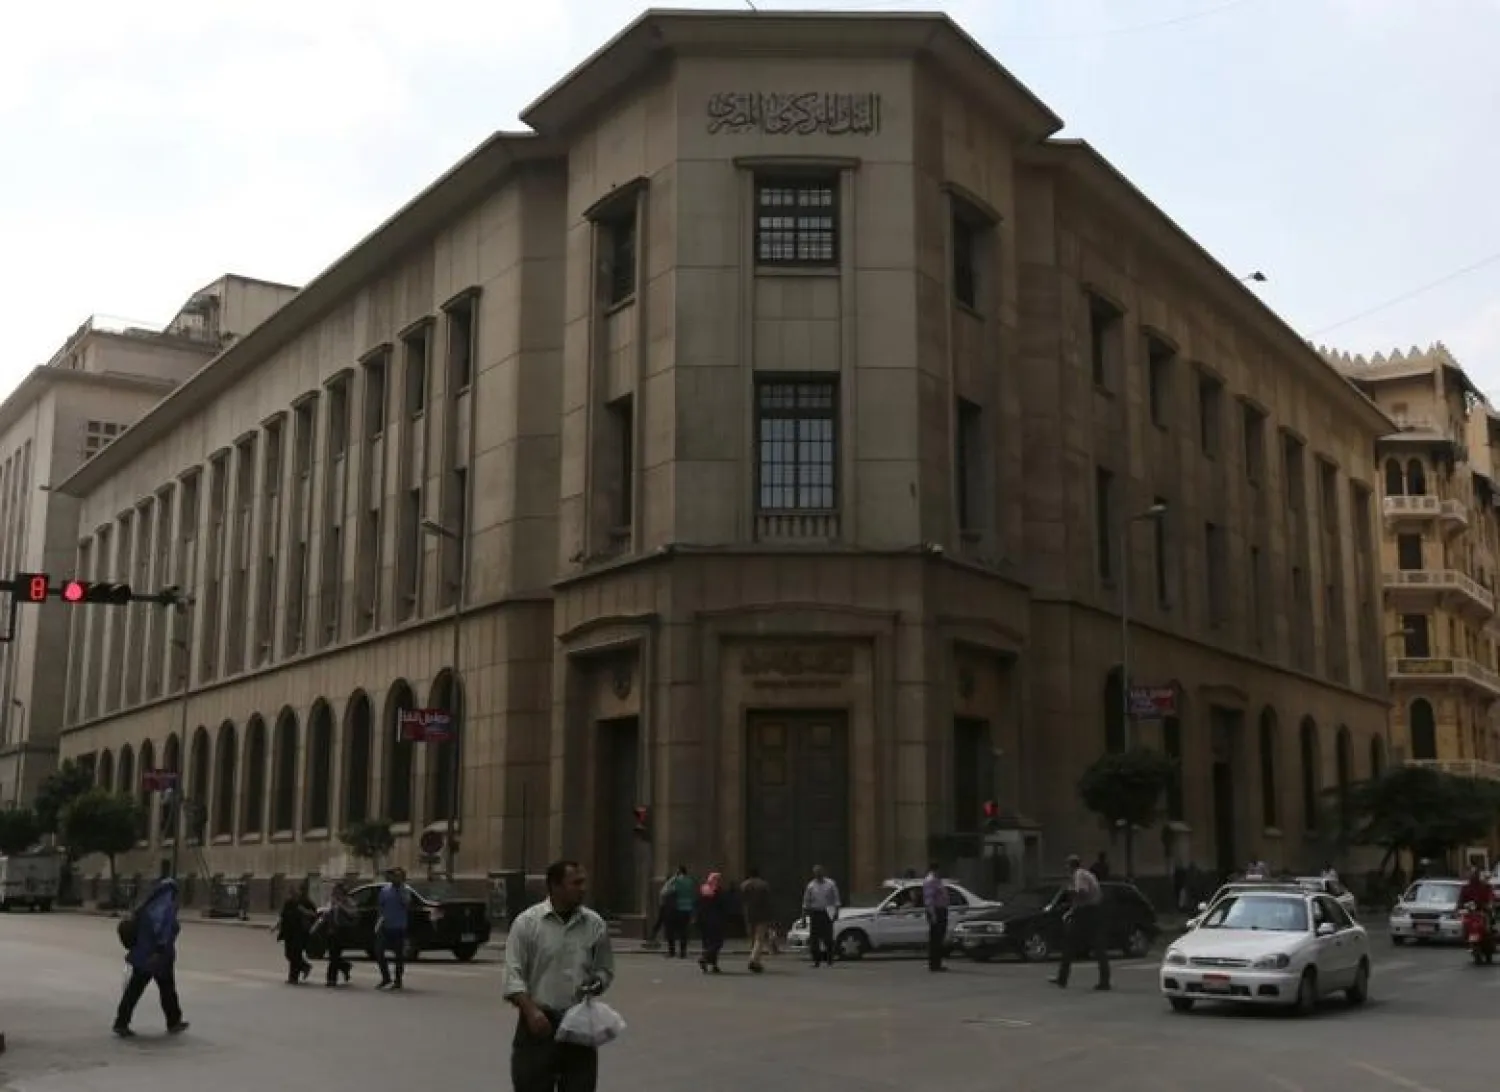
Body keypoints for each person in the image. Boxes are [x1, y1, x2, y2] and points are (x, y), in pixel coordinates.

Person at [504, 859, 616, 1092]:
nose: (583, 888)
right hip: (538, 1025)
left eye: (584, 882)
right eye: (576, 883)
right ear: (555, 886)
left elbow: (604, 968)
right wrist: (531, 1011)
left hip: (578, 1027)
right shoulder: (527, 923)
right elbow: (512, 975)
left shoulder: (594, 925)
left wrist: (597, 982)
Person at [113, 878, 189, 1038]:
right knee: (164, 989)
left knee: (140, 989)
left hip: (145, 953)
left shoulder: (149, 903)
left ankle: (122, 1021)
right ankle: (172, 1021)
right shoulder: (165, 905)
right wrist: (160, 950)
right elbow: (163, 929)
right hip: (156, 956)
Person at [1051, 854, 1110, 991]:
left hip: (1088, 912)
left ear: (1071, 865)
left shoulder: (1078, 875)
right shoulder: (1086, 874)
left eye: (1067, 865)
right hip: (1095, 910)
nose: (1066, 868)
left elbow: (1082, 892)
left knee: (1070, 943)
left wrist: (1070, 893)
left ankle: (1062, 979)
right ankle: (1104, 980)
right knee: (1098, 947)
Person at [374, 867, 412, 990]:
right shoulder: (385, 890)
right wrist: (379, 921)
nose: (395, 878)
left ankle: (398, 980)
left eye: (398, 876)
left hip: (399, 926)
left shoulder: (405, 890)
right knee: (379, 952)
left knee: (399, 956)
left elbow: (407, 904)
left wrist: (400, 890)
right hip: (385, 926)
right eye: (394, 876)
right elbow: (381, 906)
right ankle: (386, 977)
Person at [277, 882, 317, 984]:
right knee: (289, 954)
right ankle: (304, 967)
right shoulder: (288, 902)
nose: (292, 893)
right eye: (291, 891)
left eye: (294, 890)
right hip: (288, 932)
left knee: (296, 954)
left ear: (300, 891)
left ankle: (293, 977)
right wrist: (277, 926)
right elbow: (283, 916)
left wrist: (304, 911)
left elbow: (314, 914)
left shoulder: (305, 902)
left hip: (300, 932)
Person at [802, 864, 841, 967]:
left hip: (827, 912)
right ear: (814, 874)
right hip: (815, 913)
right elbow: (806, 902)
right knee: (814, 939)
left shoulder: (830, 884)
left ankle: (829, 959)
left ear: (823, 872)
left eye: (819, 872)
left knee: (828, 938)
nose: (818, 874)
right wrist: (804, 917)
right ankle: (816, 961)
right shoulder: (811, 886)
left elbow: (836, 899)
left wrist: (836, 912)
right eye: (816, 873)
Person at [318, 881, 355, 987]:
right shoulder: (332, 902)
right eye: (335, 892)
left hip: (343, 931)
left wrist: (341, 906)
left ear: (343, 893)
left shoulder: (349, 902)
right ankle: (344, 966)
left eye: (338, 892)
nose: (336, 894)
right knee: (333, 955)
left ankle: (332, 979)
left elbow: (353, 913)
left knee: (334, 955)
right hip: (331, 931)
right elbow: (326, 915)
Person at [740, 867, 773, 973]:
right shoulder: (763, 885)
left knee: (752, 938)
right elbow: (767, 901)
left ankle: (755, 960)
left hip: (749, 913)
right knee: (759, 939)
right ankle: (754, 960)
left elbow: (742, 900)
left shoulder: (744, 885)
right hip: (762, 914)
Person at [661, 865, 696, 959]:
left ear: (678, 872)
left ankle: (672, 952)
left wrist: (672, 878)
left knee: (670, 931)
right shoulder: (690, 881)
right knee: (683, 932)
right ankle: (682, 953)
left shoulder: (677, 881)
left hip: (675, 910)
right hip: (687, 909)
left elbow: (664, 892)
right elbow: (693, 897)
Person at [696, 872, 727, 974]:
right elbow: (722, 906)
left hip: (703, 920)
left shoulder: (703, 889)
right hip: (715, 920)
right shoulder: (718, 891)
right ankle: (704, 958)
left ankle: (713, 965)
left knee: (706, 942)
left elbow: (698, 904)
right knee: (717, 942)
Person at [923, 862, 950, 972]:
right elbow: (929, 900)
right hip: (936, 911)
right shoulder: (931, 881)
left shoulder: (937, 880)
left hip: (941, 910)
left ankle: (937, 962)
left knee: (939, 938)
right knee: (935, 938)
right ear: (935, 869)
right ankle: (934, 964)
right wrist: (933, 915)